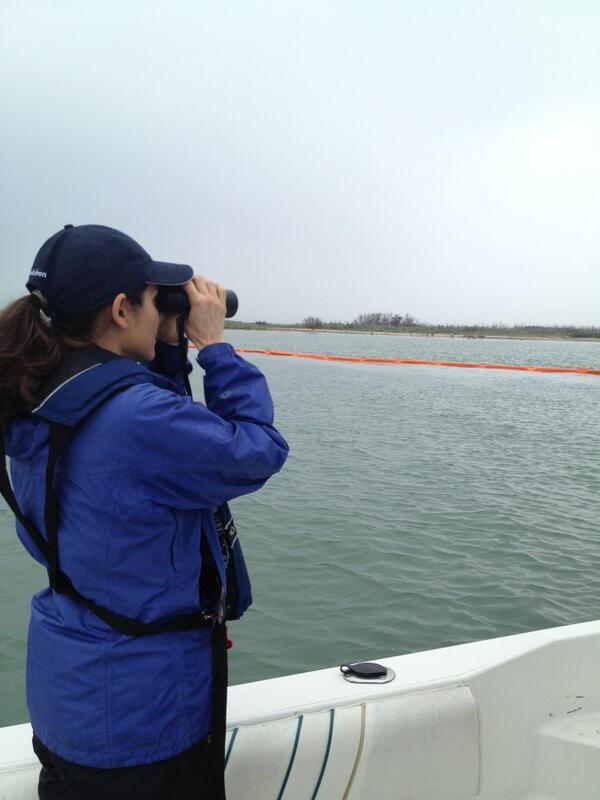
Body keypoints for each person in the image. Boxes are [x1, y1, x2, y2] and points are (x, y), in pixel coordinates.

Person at [0, 224, 289, 800]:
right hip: (142, 717)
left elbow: (135, 420)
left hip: (67, 692)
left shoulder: (34, 393)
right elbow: (258, 450)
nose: (166, 315)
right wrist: (216, 349)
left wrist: (170, 354)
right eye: (159, 302)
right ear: (121, 310)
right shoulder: (137, 419)